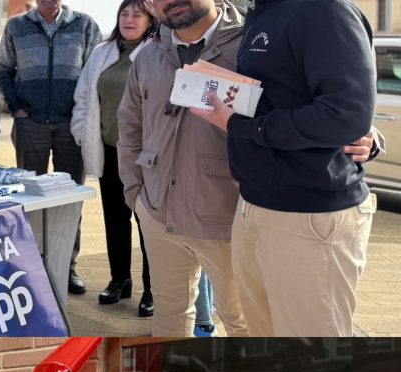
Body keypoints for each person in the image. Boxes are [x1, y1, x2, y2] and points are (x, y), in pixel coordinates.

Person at [189, 0, 378, 337]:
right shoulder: (260, 12)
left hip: (309, 214)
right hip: (253, 204)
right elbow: (289, 95)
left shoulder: (324, 9)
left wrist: (239, 126)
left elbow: (346, 114)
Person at [117, 0, 249, 337]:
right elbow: (130, 126)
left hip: (227, 216)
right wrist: (136, 194)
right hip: (158, 212)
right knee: (169, 314)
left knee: (243, 321)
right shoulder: (148, 56)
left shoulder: (250, 45)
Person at [0, 0, 101, 296]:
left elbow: (95, 74)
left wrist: (82, 113)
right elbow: (3, 69)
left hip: (71, 124)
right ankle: (32, 266)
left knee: (70, 200)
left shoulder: (84, 25)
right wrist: (15, 106)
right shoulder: (17, 26)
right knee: (28, 198)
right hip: (29, 123)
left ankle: (67, 266)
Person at [71, 0, 155, 316]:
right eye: (124, 13)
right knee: (115, 220)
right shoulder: (101, 52)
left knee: (148, 224)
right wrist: (82, 132)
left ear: (151, 20)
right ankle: (120, 280)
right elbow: (84, 97)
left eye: (137, 14)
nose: (129, 19)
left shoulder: (158, 52)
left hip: (144, 156)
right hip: (108, 150)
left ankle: (153, 288)